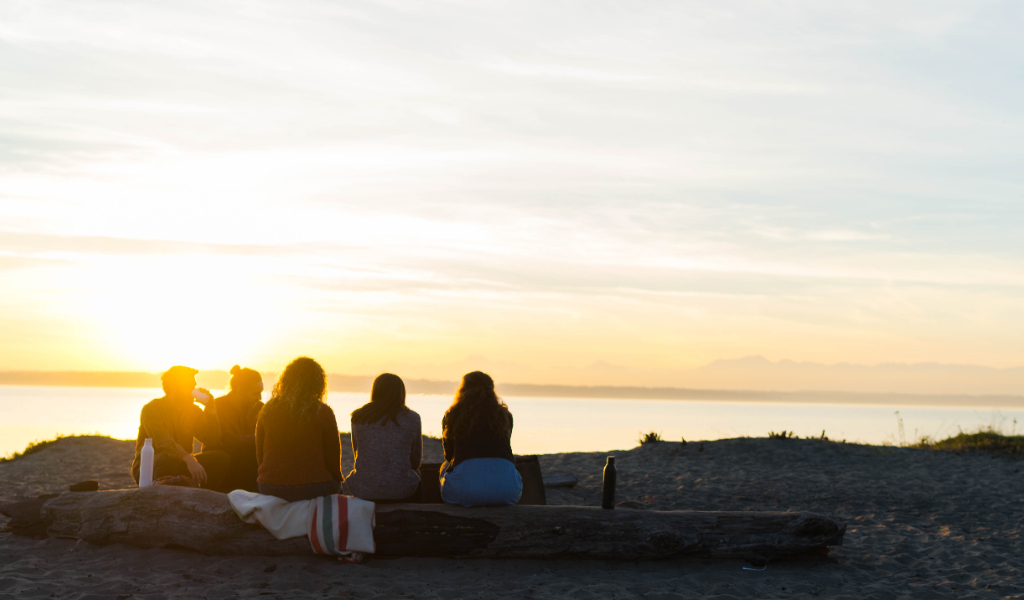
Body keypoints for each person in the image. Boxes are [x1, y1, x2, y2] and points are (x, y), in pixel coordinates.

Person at [255, 356, 343, 502]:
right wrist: (338, 480)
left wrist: (271, 476)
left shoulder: (268, 409)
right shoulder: (323, 411)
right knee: (336, 487)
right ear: (318, 383)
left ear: (285, 380)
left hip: (270, 487)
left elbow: (260, 453)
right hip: (312, 487)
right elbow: (332, 455)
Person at [130, 366, 231, 492]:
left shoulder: (194, 411)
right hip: (151, 466)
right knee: (166, 459)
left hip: (182, 463)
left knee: (221, 458)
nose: (193, 388)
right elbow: (164, 443)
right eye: (189, 385)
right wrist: (189, 459)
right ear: (174, 387)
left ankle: (204, 497)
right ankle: (162, 499)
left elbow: (212, 439)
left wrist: (210, 410)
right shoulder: (151, 409)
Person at [439, 371, 522, 507]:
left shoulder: (453, 415)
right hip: (508, 493)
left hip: (465, 493)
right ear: (491, 390)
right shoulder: (504, 416)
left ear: (463, 389)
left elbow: (449, 456)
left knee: (444, 467)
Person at [345, 373, 422, 503]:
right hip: (402, 492)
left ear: (375, 391)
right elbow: (415, 462)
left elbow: (357, 455)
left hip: (363, 490)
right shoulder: (412, 418)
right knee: (417, 475)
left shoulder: (358, 417)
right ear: (401, 393)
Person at [200, 365, 264, 492]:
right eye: (256, 393)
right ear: (240, 390)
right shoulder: (217, 406)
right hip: (222, 466)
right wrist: (259, 438)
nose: (260, 398)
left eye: (261, 393)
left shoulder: (260, 408)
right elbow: (227, 440)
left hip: (246, 464)